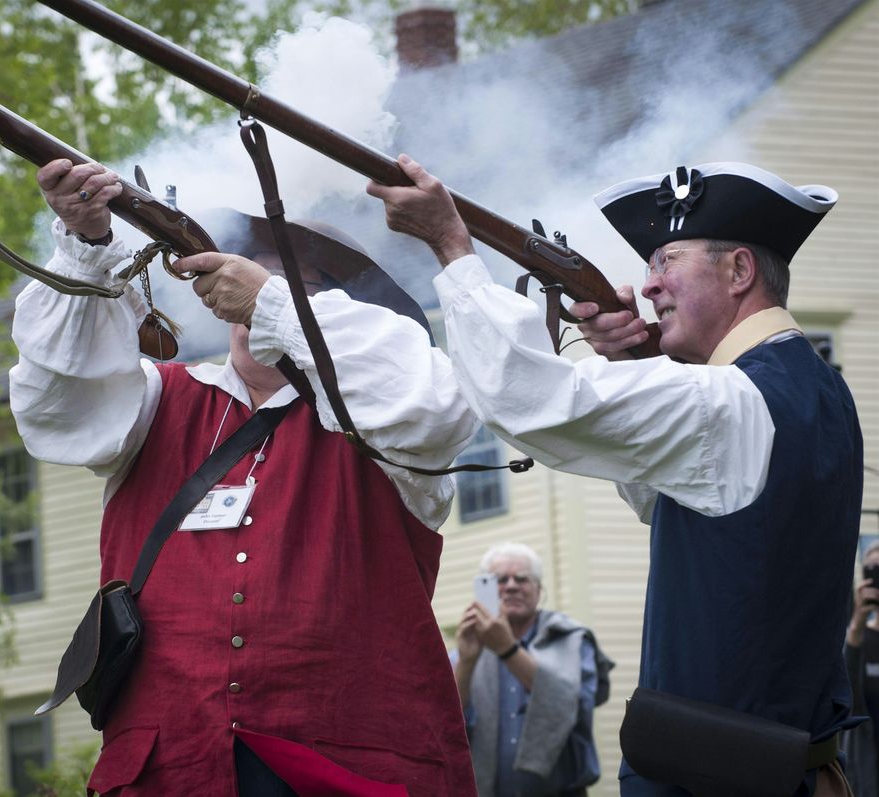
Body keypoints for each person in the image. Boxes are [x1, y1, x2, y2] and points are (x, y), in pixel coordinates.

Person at [368, 158, 863, 796]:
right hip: (766, 769)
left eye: (668, 261)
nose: (649, 287)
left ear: (739, 271)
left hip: (718, 777)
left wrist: (451, 245)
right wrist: (637, 360)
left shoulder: (732, 401)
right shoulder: (812, 389)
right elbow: (678, 492)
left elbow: (529, 401)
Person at [10, 159, 481, 796]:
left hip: (348, 770)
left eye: (290, 285)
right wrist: (89, 243)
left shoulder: (388, 417)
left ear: (343, 311)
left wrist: (274, 305)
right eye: (247, 273)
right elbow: (56, 409)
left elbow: (440, 405)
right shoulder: (155, 403)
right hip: (171, 769)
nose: (253, 293)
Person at [454, 542, 613, 797]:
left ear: (539, 590)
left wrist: (507, 649)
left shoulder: (572, 640)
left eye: (522, 579)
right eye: (501, 579)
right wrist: (467, 661)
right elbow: (446, 720)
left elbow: (573, 702)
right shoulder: (469, 646)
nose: (512, 586)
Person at [843, 541, 879, 796]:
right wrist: (856, 623)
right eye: (872, 569)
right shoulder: (858, 638)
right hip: (868, 770)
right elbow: (846, 697)